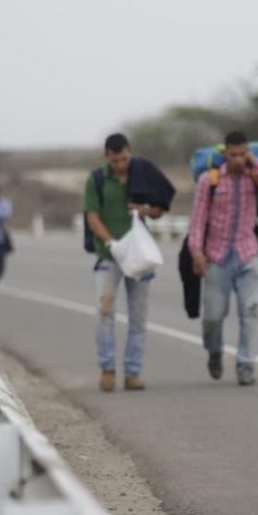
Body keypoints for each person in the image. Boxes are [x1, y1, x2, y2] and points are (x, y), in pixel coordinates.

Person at [187, 131, 258, 386]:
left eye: (242, 154)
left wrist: (254, 161)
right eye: (233, 154)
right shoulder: (211, 180)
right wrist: (197, 252)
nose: (238, 159)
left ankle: (246, 363)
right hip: (217, 256)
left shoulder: (254, 177)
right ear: (225, 154)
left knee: (250, 311)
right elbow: (197, 220)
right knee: (213, 317)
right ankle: (215, 351)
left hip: (248, 254)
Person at [84, 133, 174, 392]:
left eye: (124, 159)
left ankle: (133, 372)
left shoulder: (142, 174)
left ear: (130, 152)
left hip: (138, 255)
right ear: (107, 157)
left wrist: (143, 210)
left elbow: (159, 210)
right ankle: (107, 368)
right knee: (105, 311)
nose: (121, 165)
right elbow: (92, 216)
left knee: (138, 316)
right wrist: (112, 243)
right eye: (115, 160)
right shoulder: (98, 179)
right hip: (109, 255)